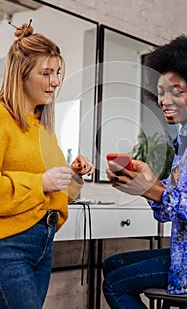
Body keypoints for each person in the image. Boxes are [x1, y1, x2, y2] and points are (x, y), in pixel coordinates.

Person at [103, 34, 187, 308]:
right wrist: (147, 183)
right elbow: (166, 210)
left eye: (177, 91)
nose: (165, 100)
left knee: (115, 283)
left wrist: (152, 189)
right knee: (114, 263)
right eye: (161, 92)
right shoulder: (185, 140)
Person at [0, 21, 93, 309]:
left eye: (57, 73)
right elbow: (42, 184)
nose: (55, 81)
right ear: (21, 76)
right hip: (9, 245)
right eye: (46, 73)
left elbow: (54, 195)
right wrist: (42, 182)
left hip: (44, 243)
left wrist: (74, 177)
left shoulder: (44, 128)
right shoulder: (2, 119)